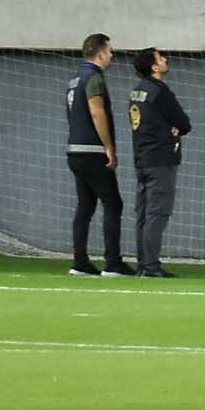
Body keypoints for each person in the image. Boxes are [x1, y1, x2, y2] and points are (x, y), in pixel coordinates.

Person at [65, 32, 128, 277]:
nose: (112, 55)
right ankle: (113, 262)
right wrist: (108, 146)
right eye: (110, 51)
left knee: (86, 204)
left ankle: (79, 261)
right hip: (92, 151)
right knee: (113, 203)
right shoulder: (94, 78)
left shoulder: (74, 79)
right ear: (101, 53)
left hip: (75, 150)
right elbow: (96, 112)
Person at [127, 45, 190, 278]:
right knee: (157, 213)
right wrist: (173, 128)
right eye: (160, 57)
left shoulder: (136, 91)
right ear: (154, 66)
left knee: (143, 213)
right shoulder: (159, 91)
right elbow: (184, 123)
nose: (165, 59)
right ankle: (151, 267)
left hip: (141, 157)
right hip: (161, 159)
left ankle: (144, 264)